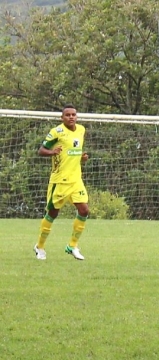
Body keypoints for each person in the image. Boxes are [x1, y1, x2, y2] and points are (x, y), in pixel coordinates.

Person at [34, 105, 90, 261]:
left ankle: (72, 245)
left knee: (84, 210)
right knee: (52, 213)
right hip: (59, 181)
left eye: (73, 114)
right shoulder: (56, 132)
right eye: (68, 115)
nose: (71, 117)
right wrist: (52, 152)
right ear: (62, 118)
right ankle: (39, 247)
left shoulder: (81, 130)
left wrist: (82, 158)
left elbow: (73, 151)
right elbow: (41, 150)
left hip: (76, 180)